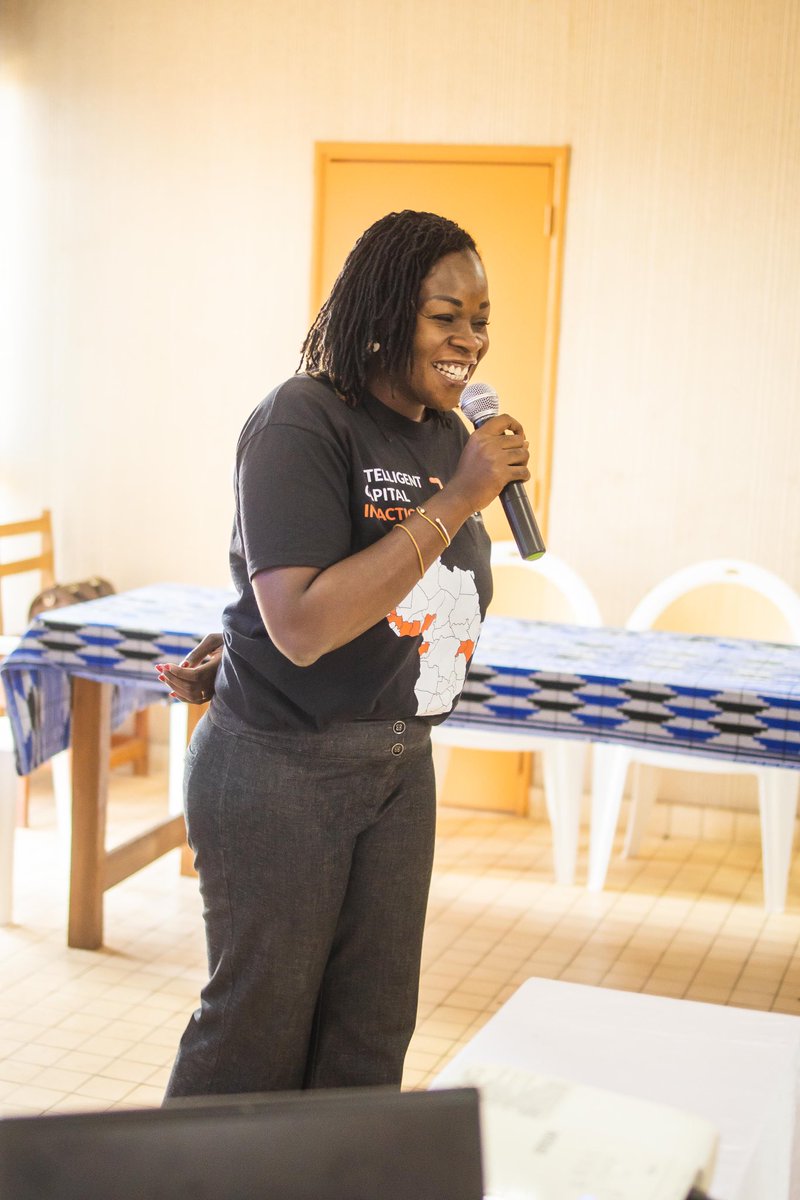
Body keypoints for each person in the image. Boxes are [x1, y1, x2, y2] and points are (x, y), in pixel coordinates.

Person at [158, 209, 530, 1098]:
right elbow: (304, 623)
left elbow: (414, 600)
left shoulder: (450, 440)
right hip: (283, 768)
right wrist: (460, 501)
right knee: (258, 1037)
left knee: (369, 1040)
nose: (470, 341)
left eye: (481, 320)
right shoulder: (302, 419)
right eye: (447, 317)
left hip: (401, 766)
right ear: (388, 308)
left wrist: (468, 488)